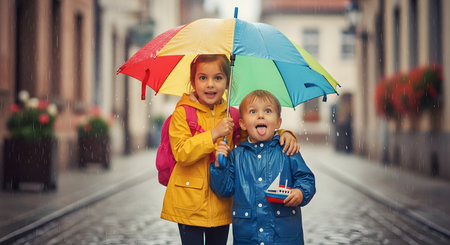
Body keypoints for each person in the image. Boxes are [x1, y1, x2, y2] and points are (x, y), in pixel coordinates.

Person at [160, 55, 301, 245]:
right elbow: (181, 153)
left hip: (222, 202)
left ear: (227, 82)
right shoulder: (183, 113)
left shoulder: (233, 115)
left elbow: (257, 137)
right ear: (193, 82)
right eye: (203, 78)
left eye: (218, 78)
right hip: (188, 201)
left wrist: (283, 132)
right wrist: (214, 133)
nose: (210, 84)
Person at [210, 90, 316, 245]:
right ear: (243, 124)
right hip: (248, 236)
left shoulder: (287, 149)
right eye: (253, 111)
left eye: (268, 111)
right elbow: (225, 189)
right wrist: (219, 166)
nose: (261, 116)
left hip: (284, 235)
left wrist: (301, 192)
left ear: (278, 122)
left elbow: (306, 178)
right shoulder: (236, 156)